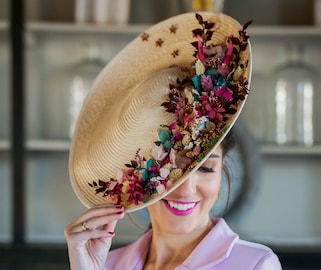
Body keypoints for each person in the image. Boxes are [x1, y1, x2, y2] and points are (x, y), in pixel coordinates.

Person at [65, 12, 282, 270]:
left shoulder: (255, 265)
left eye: (205, 168)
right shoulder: (106, 264)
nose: (187, 189)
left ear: (222, 170)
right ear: (136, 179)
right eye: (171, 173)